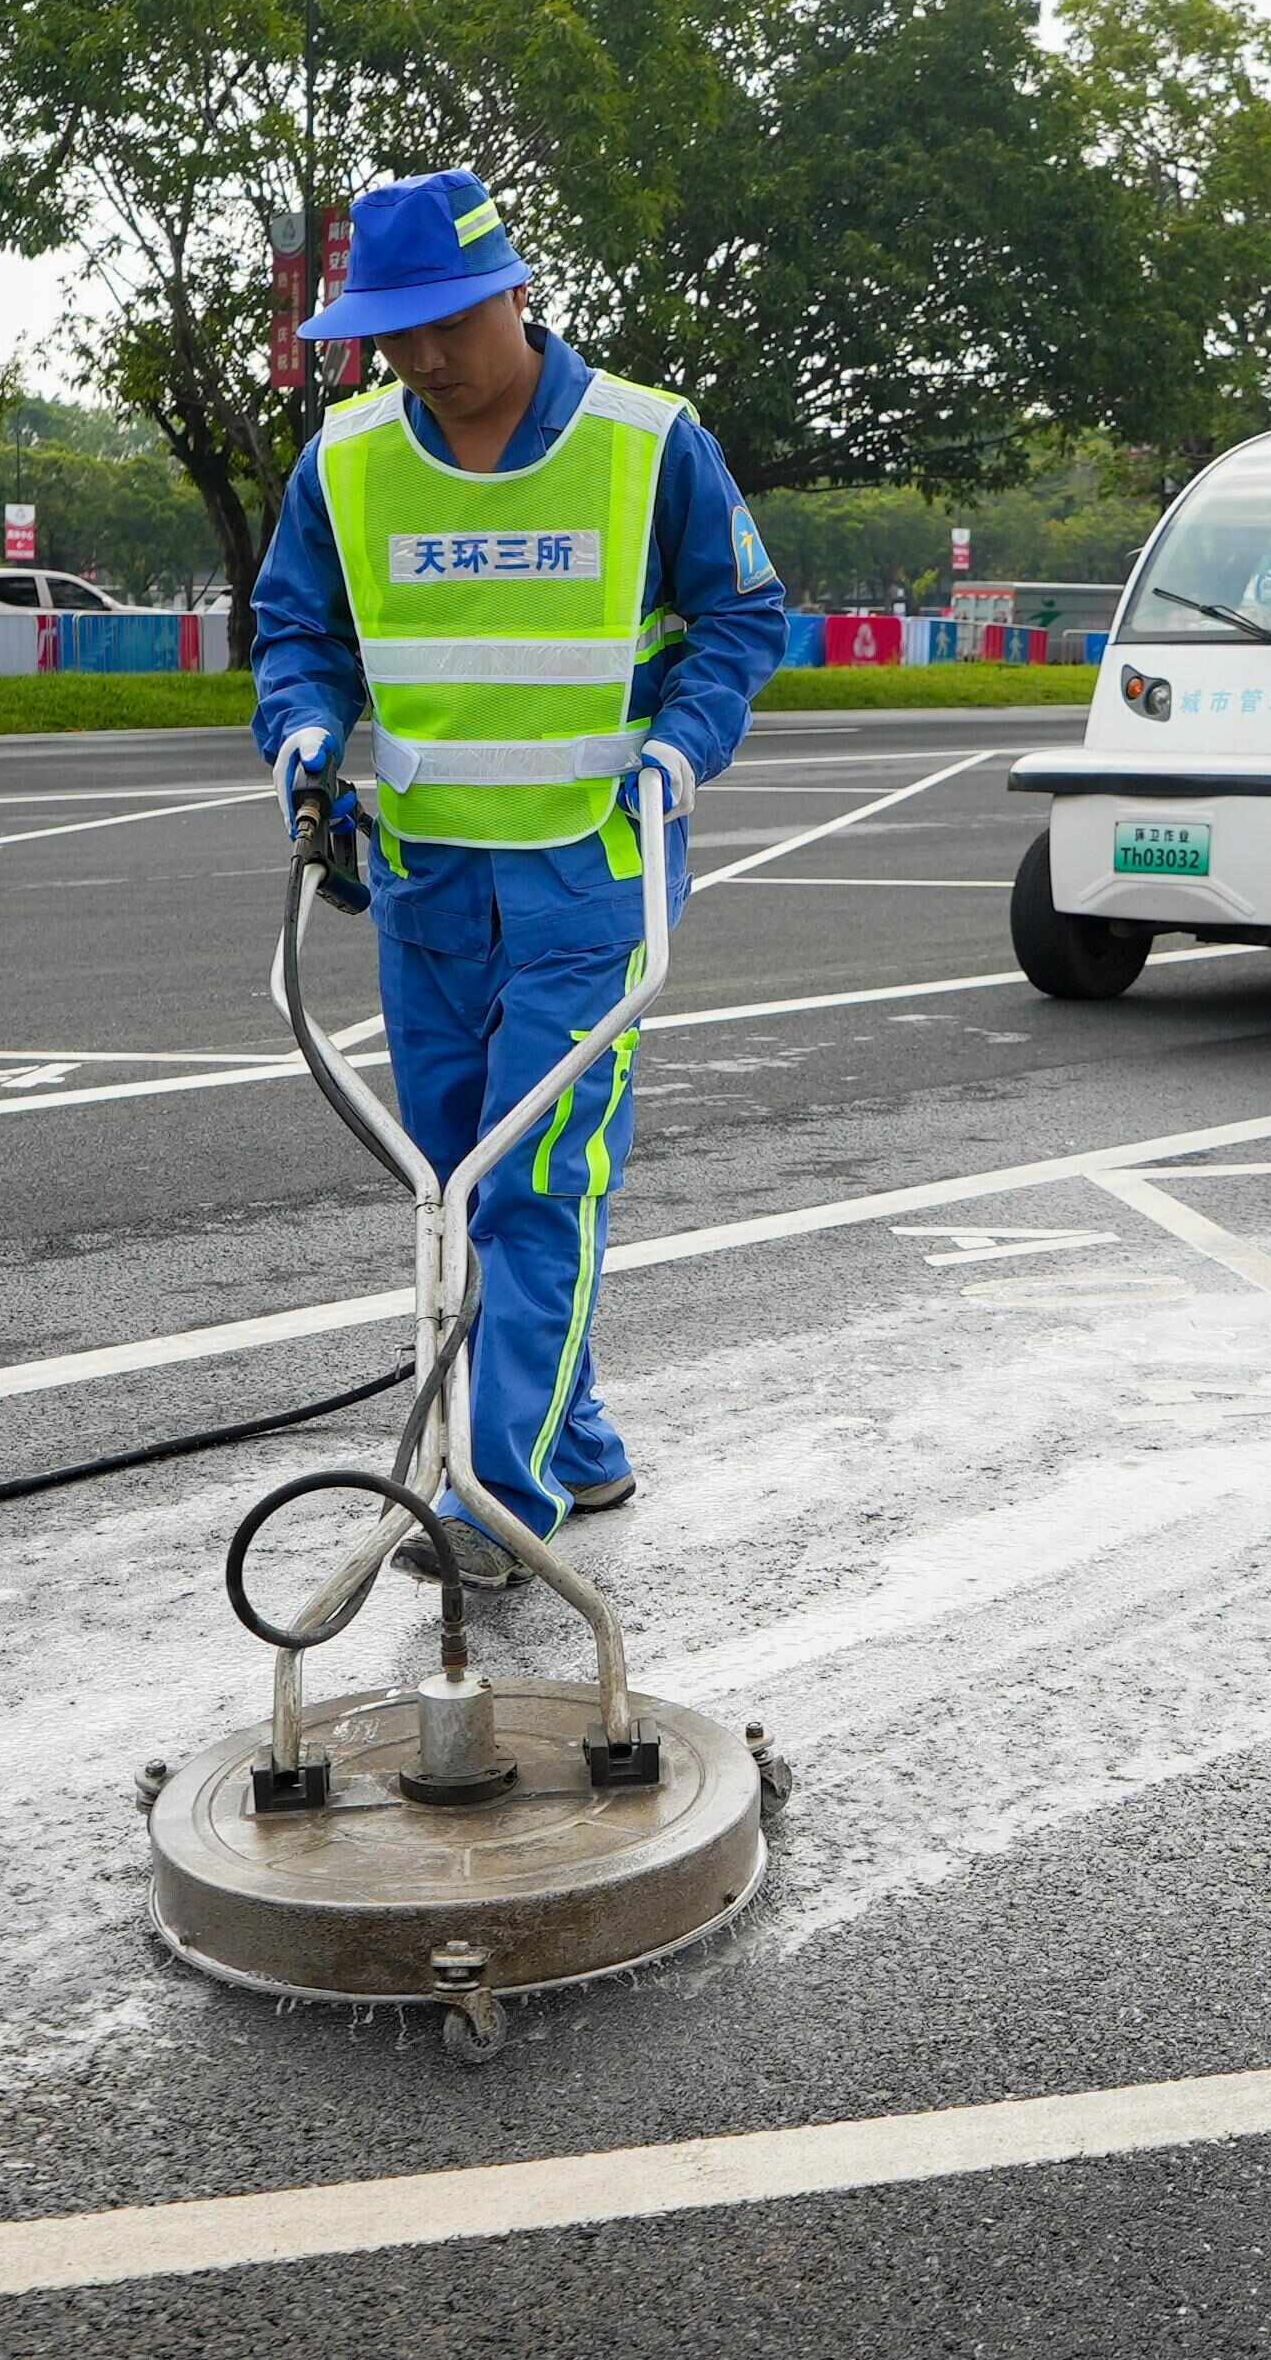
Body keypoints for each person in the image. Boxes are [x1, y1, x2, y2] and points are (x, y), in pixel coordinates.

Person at [251, 169, 786, 1588]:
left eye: (443, 322)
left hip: (587, 880)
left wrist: (683, 747)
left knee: (532, 1185)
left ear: (515, 292)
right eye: (391, 332)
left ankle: (498, 1497)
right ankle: (578, 1435)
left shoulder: (647, 443)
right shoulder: (347, 459)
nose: (420, 356)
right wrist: (305, 741)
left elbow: (741, 614)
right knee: (450, 1184)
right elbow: (298, 632)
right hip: (426, 890)